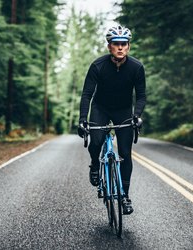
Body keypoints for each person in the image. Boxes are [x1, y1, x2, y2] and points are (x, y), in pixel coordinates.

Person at [77, 24, 146, 215]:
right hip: (101, 108)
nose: (120, 47)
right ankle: (95, 165)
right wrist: (83, 119)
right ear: (109, 46)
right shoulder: (98, 66)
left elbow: (140, 95)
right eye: (116, 44)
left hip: (124, 110)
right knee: (96, 141)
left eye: (124, 43)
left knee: (125, 152)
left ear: (129, 46)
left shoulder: (136, 67)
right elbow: (87, 94)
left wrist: (137, 116)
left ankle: (124, 196)